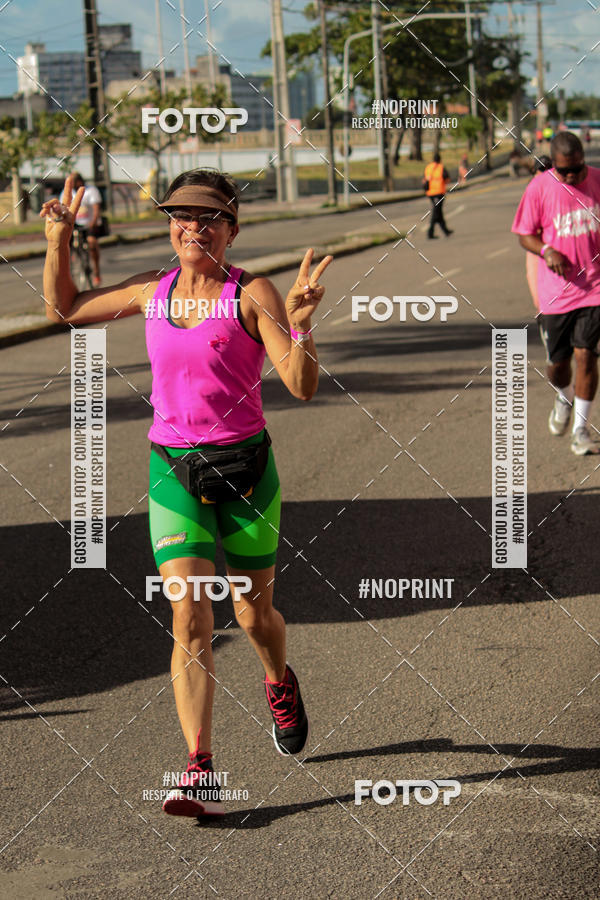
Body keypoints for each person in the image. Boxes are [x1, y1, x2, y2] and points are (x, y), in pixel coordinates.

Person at [41, 170, 333, 817]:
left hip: (246, 471)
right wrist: (59, 239)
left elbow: (302, 384)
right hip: (173, 469)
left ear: (232, 229)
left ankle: (278, 681)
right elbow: (66, 308)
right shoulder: (154, 290)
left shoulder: (251, 293)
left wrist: (301, 325)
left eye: (209, 218)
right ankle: (199, 767)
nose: (193, 228)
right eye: (181, 216)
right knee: (190, 614)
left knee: (254, 616)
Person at [512, 132, 600, 456]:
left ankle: (581, 430)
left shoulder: (598, 181)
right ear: (555, 166)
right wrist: (546, 250)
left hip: (594, 289)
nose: (572, 176)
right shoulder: (539, 188)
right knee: (558, 365)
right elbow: (524, 234)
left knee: (586, 355)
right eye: (564, 171)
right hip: (556, 294)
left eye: (577, 168)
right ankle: (564, 396)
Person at [64, 172, 102, 286]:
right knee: (65, 245)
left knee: (92, 242)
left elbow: (96, 209)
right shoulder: (67, 192)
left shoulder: (91, 191)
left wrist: (93, 223)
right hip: (74, 225)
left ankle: (96, 271)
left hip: (88, 224)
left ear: (79, 181)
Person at [524, 154, 552, 310]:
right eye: (540, 170)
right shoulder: (532, 190)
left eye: (547, 170)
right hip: (537, 246)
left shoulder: (561, 189)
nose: (543, 174)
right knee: (537, 295)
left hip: (557, 243)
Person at [423, 153, 453, 239]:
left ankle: (445, 231)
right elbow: (447, 179)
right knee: (436, 213)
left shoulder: (428, 167)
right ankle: (430, 233)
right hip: (439, 192)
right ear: (440, 159)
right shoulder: (441, 167)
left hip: (430, 193)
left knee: (438, 212)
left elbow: (424, 179)